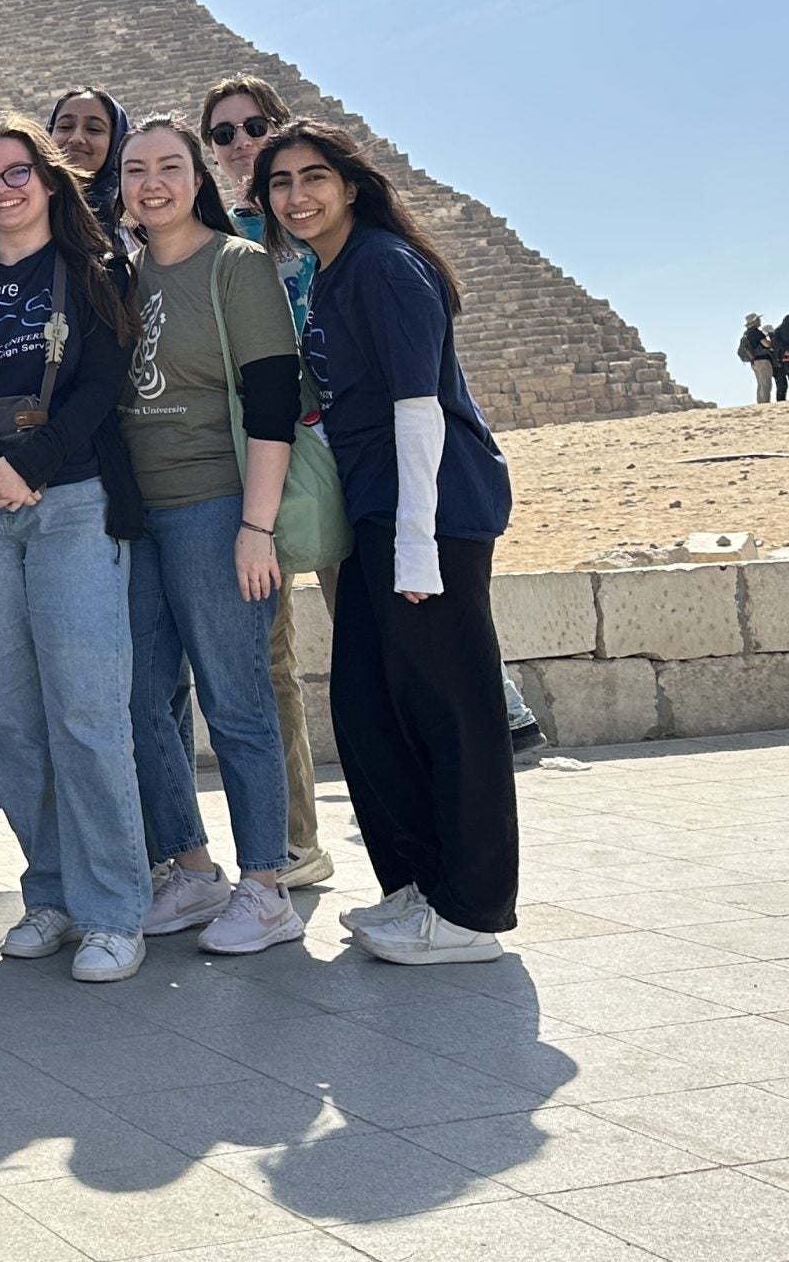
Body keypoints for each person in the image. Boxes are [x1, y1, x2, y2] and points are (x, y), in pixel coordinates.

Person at [253, 120, 517, 966]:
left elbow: (418, 410)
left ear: (353, 185)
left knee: (452, 710)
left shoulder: (385, 266)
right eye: (281, 184)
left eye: (314, 177)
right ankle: (414, 885)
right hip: (372, 513)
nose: (298, 196)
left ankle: (473, 909)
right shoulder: (328, 275)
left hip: (431, 513)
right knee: (367, 709)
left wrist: (414, 547)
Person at [0, 117, 146, 983]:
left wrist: (33, 466)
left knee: (86, 713)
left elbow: (101, 383)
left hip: (72, 502)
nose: (3, 189)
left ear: (49, 182)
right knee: (11, 720)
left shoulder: (95, 276)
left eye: (17, 173)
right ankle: (48, 891)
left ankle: (115, 908)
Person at [114, 119, 304, 954]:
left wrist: (255, 527)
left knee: (235, 698)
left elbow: (272, 402)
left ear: (198, 179)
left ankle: (266, 884)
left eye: (169, 167)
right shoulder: (116, 278)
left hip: (216, 505)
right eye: (135, 170)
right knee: (140, 698)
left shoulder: (239, 265)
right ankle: (192, 870)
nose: (151, 183)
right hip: (133, 518)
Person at [197, 76, 333, 887]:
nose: (242, 143)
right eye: (223, 134)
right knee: (269, 663)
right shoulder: (218, 244)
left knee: (374, 655)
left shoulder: (334, 231)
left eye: (258, 127)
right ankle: (293, 843)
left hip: (353, 464)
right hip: (261, 472)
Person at [46, 86, 129, 237]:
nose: (76, 138)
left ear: (117, 141)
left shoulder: (137, 216)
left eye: (94, 129)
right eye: (65, 127)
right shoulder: (25, 209)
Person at [737, 314, 775, 404]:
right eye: (758, 319)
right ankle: (765, 403)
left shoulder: (747, 333)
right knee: (766, 384)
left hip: (754, 362)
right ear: (754, 322)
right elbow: (766, 344)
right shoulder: (756, 332)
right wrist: (772, 341)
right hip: (763, 361)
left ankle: (760, 403)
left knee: (760, 384)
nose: (759, 321)